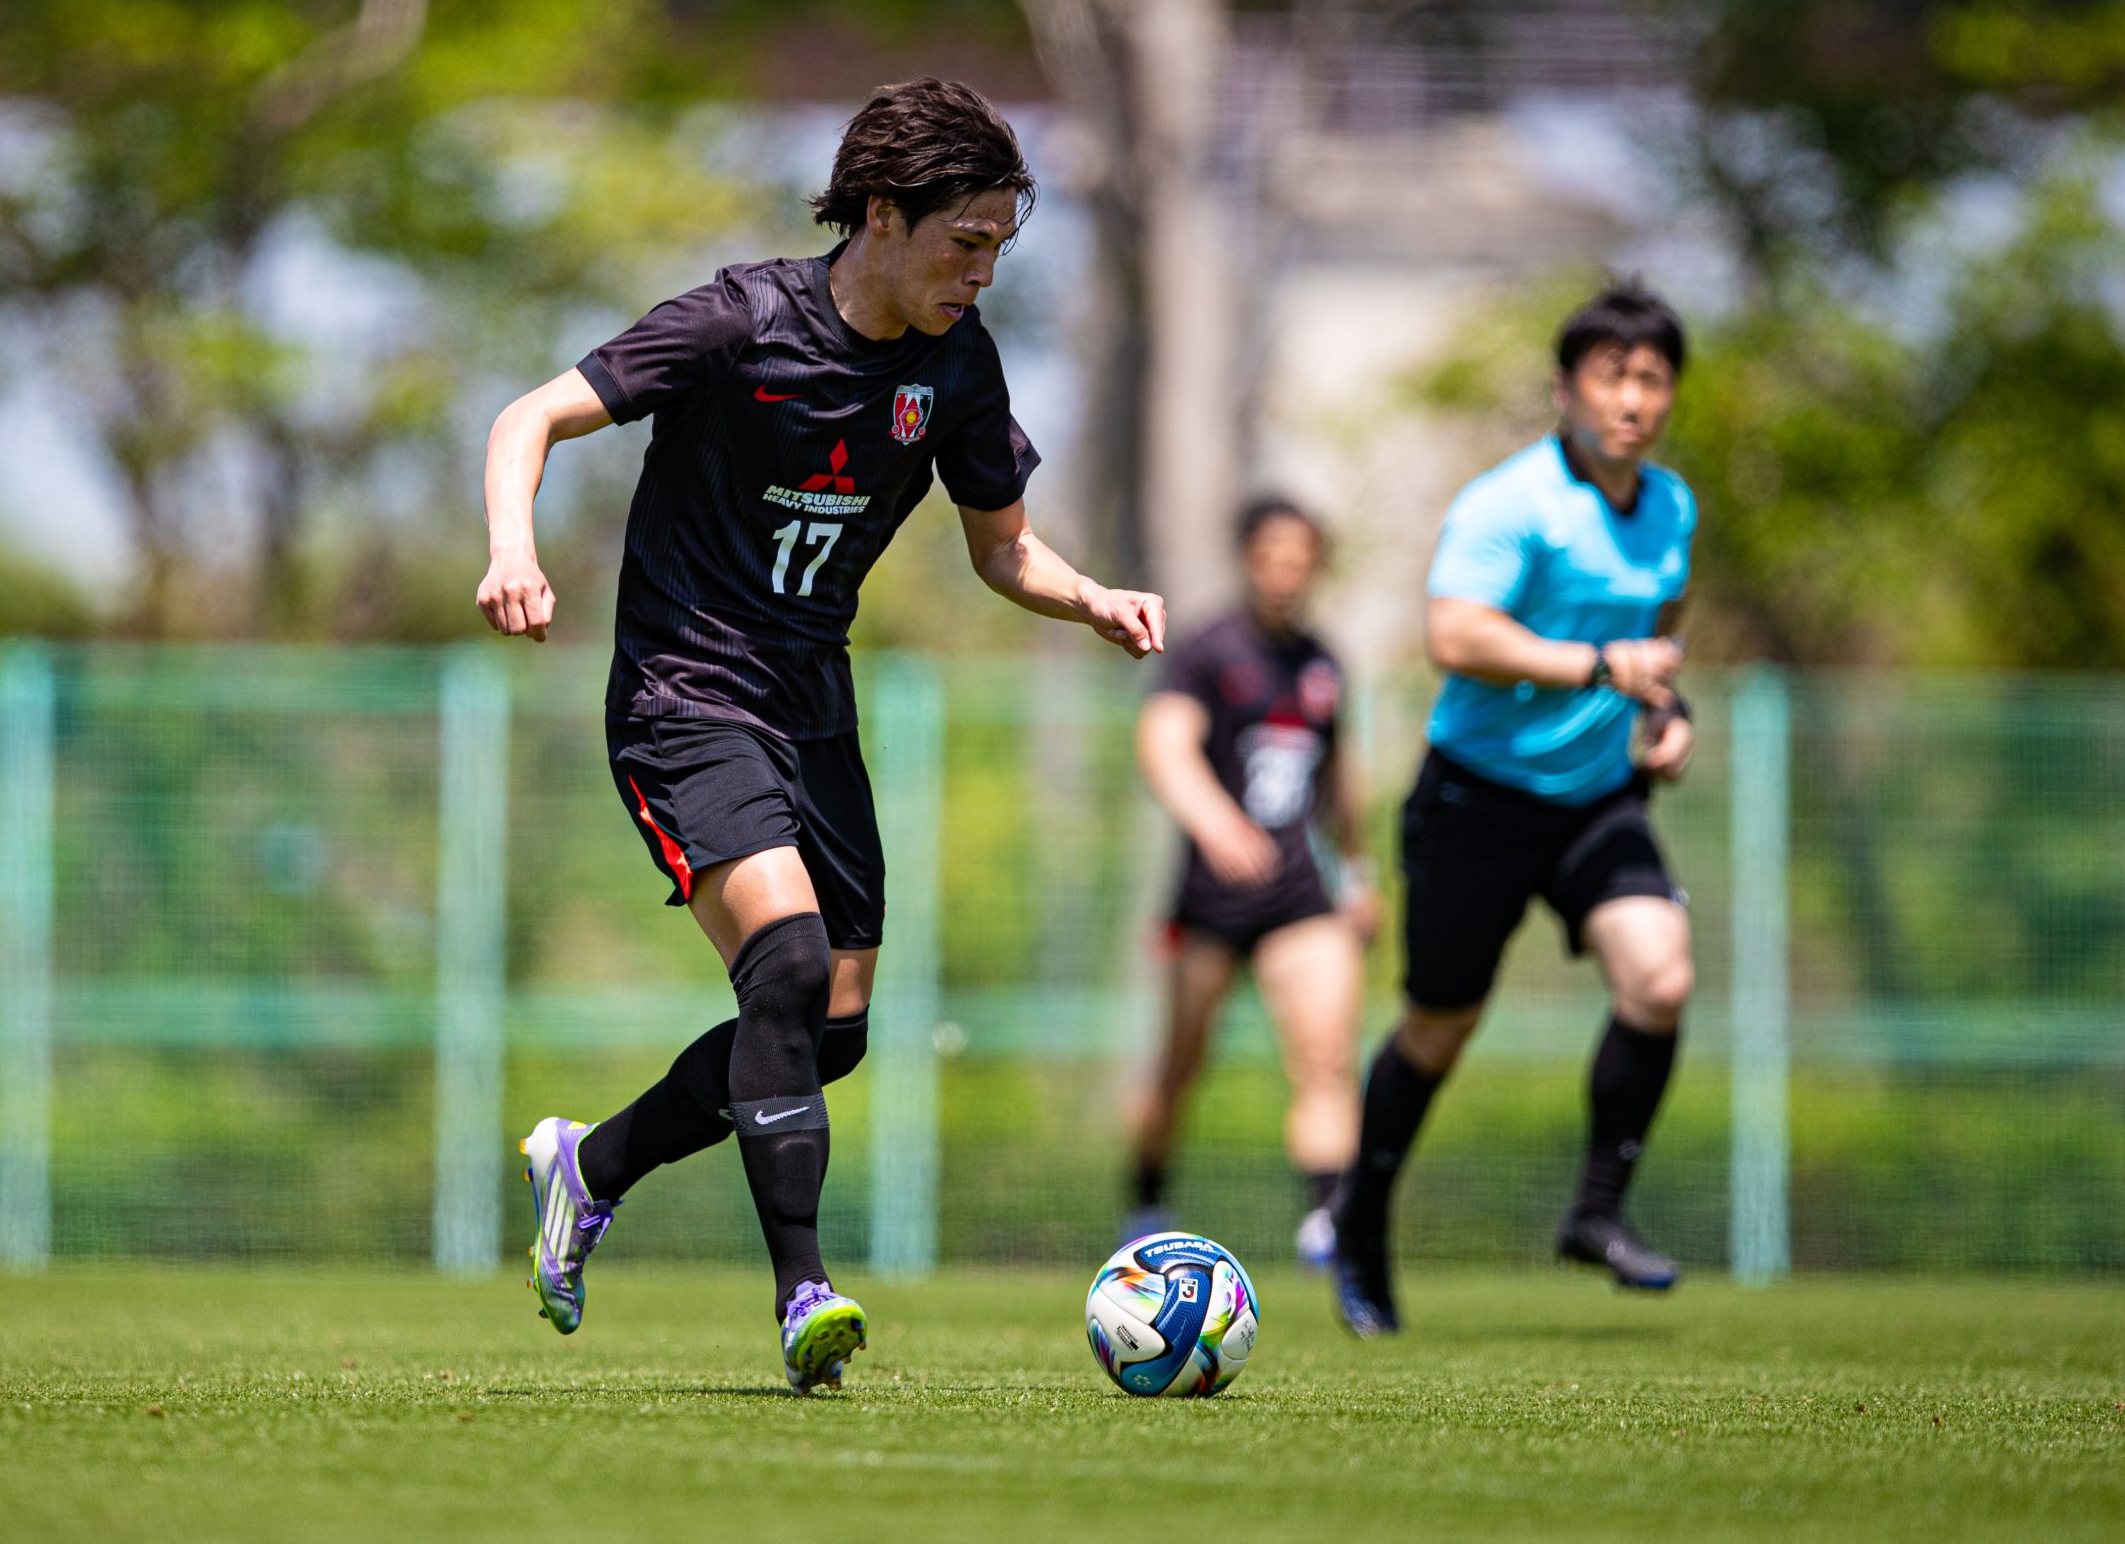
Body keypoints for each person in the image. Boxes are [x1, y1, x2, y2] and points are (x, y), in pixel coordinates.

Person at [476, 78, 1166, 1393]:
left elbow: (1003, 546)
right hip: (685, 692)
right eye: (965, 242)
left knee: (825, 1029)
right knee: (785, 965)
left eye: (1001, 249)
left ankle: (592, 1162)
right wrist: (512, 547)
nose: (982, 272)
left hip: (813, 700)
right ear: (882, 213)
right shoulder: (738, 322)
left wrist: (1090, 599)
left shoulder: (957, 366)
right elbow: (530, 417)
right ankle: (805, 1291)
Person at [1331, 282, 1698, 1338]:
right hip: (1473, 801)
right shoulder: (1509, 502)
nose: (1631, 399)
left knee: (1660, 975)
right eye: (1611, 377)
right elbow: (1457, 635)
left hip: (1593, 802)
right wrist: (1597, 666)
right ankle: (1360, 1219)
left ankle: (1594, 1215)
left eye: (1650, 379)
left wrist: (1665, 712)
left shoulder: (1672, 507)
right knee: (1439, 1028)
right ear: (1565, 390)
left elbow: (1657, 640)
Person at [1126, 496, 1378, 1268]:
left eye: (1300, 558)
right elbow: (1164, 743)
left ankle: (1328, 1222)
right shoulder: (1207, 649)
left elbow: (1340, 779)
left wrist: (1360, 872)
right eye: (1271, 555)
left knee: (1328, 1055)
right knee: (1181, 1064)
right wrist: (1217, 823)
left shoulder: (1323, 663)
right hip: (1209, 901)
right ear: (1247, 558)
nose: (1284, 572)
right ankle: (1145, 1199)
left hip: (1300, 895)